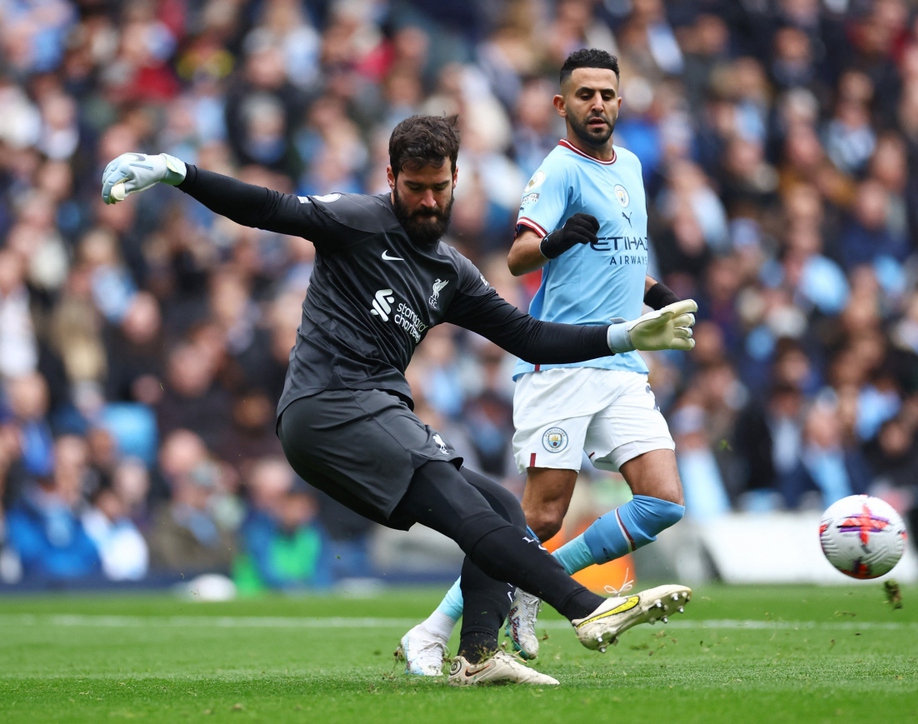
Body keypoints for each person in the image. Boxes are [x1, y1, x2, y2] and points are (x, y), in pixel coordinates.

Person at [101, 113, 696, 686]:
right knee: (470, 514)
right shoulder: (357, 221)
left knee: (502, 510)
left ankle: (479, 656)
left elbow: (528, 335)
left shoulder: (451, 272)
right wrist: (177, 171)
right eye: (415, 188)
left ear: (456, 180)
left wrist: (624, 335)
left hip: (376, 411)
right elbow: (267, 207)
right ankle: (586, 608)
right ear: (391, 180)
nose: (429, 201)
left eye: (439, 188)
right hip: (327, 405)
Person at [401, 49, 694, 674]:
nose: (598, 105)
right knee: (536, 516)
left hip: (621, 364)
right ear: (562, 105)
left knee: (664, 501)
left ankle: (538, 581)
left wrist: (657, 295)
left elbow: (620, 254)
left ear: (621, 100)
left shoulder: (634, 167)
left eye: (607, 94)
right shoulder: (558, 169)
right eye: (584, 95)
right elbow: (518, 257)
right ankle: (434, 628)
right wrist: (557, 239)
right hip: (561, 363)